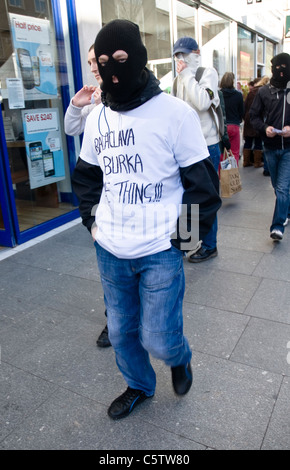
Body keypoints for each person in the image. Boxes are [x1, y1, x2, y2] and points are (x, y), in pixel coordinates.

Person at [71, 19, 221, 420]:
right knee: (121, 333)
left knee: (158, 337)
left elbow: (203, 186)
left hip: (160, 248)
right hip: (110, 249)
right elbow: (86, 175)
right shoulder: (98, 119)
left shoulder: (175, 114)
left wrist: (183, 241)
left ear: (138, 59)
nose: (112, 70)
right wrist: (92, 223)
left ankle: (179, 357)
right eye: (103, 62)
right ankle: (139, 385)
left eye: (121, 59)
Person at [64, 45, 111, 348]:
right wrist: (78, 104)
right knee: (110, 269)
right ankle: (115, 320)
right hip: (105, 204)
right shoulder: (94, 103)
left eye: (99, 61)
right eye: (91, 62)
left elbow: (193, 180)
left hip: (146, 208)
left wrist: (187, 235)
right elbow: (71, 128)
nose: (93, 67)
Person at [171, 36, 221, 263]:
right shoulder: (176, 80)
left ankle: (210, 245)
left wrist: (186, 75)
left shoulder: (205, 73)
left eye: (185, 54)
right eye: (177, 55)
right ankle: (187, 241)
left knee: (207, 197)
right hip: (184, 148)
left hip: (207, 146)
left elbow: (202, 101)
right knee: (185, 197)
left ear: (196, 52)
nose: (181, 59)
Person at [250, 52, 290, 241]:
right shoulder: (264, 92)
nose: (281, 72)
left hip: (289, 147)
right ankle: (286, 209)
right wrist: (265, 129)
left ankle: (277, 225)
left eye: (285, 68)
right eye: (277, 68)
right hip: (270, 146)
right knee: (277, 185)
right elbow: (253, 117)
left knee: (282, 187)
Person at [243, 77, 269, 168]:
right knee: (258, 141)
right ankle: (257, 162)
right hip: (258, 118)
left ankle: (246, 161)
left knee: (248, 141)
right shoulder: (263, 92)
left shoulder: (251, 92)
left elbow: (245, 106)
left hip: (248, 118)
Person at [220, 72, 244, 167]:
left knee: (222, 153)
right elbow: (242, 111)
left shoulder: (219, 94)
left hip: (222, 127)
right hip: (234, 125)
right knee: (234, 153)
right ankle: (233, 176)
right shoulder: (238, 95)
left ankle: (222, 177)